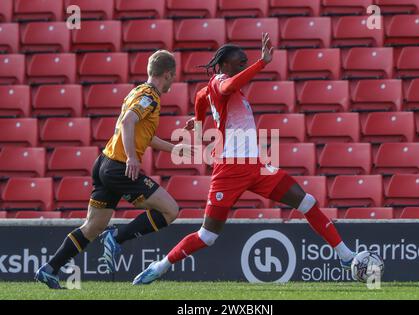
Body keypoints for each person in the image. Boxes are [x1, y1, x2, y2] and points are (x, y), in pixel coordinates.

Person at [132, 34, 356, 285]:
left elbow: (200, 112)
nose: (243, 65)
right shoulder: (220, 82)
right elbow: (224, 90)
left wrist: (196, 125)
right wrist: (261, 63)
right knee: (208, 236)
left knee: (306, 202)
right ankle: (160, 266)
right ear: (225, 64)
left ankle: (346, 256)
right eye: (241, 62)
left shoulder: (207, 92)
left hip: (256, 167)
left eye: (246, 62)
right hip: (229, 170)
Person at [35, 50, 189, 289]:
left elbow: (143, 134)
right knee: (170, 210)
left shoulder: (136, 91)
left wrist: (175, 149)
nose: (173, 81)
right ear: (168, 74)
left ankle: (50, 268)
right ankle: (116, 237)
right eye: (173, 76)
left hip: (104, 163)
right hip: (119, 167)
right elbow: (128, 122)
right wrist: (131, 158)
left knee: (92, 226)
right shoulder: (150, 96)